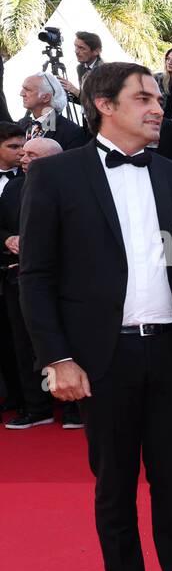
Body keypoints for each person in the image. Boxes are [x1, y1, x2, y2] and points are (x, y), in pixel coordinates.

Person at [19, 62, 172, 571]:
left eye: (158, 98)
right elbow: (35, 276)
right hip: (100, 359)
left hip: (171, 352)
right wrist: (56, 357)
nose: (158, 107)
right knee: (114, 483)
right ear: (104, 104)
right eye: (144, 98)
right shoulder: (56, 178)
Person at [2, 136, 73, 430]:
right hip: (18, 276)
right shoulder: (15, 187)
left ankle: (74, 410)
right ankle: (36, 408)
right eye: (23, 153)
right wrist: (7, 239)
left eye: (32, 154)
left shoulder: (72, 187)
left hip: (65, 280)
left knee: (69, 343)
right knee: (25, 345)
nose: (24, 158)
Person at [17, 73, 88, 150]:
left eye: (28, 90)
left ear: (46, 97)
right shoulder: (22, 124)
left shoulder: (71, 132)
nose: (21, 94)